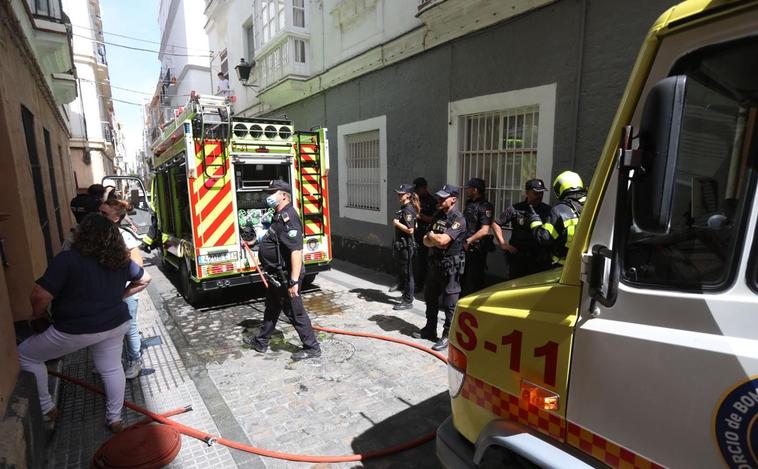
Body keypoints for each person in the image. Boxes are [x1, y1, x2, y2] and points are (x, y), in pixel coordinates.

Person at [17, 214, 151, 433]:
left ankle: (47, 407)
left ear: (82, 235)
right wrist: (120, 296)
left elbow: (39, 295)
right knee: (112, 368)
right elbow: (145, 279)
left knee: (26, 355)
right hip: (115, 324)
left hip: (76, 329)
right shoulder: (119, 260)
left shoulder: (67, 259)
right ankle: (115, 419)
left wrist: (37, 315)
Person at [243, 179, 321, 361]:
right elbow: (273, 237)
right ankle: (261, 341)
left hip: (286, 277)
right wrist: (253, 242)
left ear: (283, 195)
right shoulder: (278, 215)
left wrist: (293, 281)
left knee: (295, 312)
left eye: (273, 192)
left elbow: (296, 251)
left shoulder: (289, 217)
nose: (269, 196)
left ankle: (312, 347)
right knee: (271, 308)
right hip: (276, 276)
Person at [412, 184, 466, 351]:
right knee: (430, 298)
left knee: (450, 303)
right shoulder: (438, 215)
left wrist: (435, 238)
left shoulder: (459, 219)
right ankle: (430, 329)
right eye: (440, 197)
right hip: (435, 264)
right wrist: (435, 238)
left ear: (454, 199)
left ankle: (447, 336)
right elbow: (425, 240)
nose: (440, 199)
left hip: (451, 267)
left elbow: (443, 241)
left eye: (444, 197)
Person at [100, 199, 144, 379]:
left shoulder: (124, 236)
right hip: (104, 291)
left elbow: (138, 265)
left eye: (104, 214)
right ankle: (111, 361)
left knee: (129, 327)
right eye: (99, 212)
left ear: (116, 218)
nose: (99, 216)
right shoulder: (94, 236)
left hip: (123, 291)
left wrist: (123, 290)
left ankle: (135, 360)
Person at [492, 179, 553, 279]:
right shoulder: (516, 209)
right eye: (536, 193)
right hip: (518, 258)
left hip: (538, 258)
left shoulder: (547, 210)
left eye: (541, 193)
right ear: (527, 192)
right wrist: (503, 244)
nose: (539, 196)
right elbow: (496, 224)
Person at [529, 171, 587, 266]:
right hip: (586, 266)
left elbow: (544, 238)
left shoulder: (559, 210)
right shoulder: (592, 206)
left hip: (563, 266)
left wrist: (534, 219)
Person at [460, 178, 494, 295]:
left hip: (476, 247)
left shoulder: (485, 206)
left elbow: (485, 230)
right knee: (462, 274)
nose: (467, 190)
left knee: (476, 277)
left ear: (475, 190)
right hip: (465, 245)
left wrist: (469, 241)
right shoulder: (469, 203)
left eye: (469, 188)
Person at [390, 183, 419, 310]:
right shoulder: (406, 208)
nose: (398, 195)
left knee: (408, 274)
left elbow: (411, 229)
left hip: (407, 247)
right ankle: (406, 296)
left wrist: (397, 223)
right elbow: (416, 225)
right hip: (403, 246)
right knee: (405, 272)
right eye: (398, 193)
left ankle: (408, 301)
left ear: (407, 195)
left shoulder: (408, 209)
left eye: (401, 193)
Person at [413, 177, 437, 292]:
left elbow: (434, 219)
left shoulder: (432, 201)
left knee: (423, 260)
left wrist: (420, 215)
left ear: (424, 188)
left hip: (425, 234)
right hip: (414, 232)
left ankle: (420, 284)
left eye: (419, 189)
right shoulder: (414, 198)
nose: (417, 191)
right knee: (413, 259)